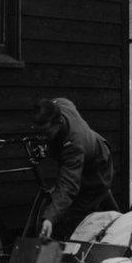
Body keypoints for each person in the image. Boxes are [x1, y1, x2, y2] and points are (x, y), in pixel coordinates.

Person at [33, 98, 117, 240]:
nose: (41, 138)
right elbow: (65, 101)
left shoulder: (73, 145)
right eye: (38, 132)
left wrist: (49, 218)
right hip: (87, 152)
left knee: (72, 216)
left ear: (58, 123)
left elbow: (68, 186)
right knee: (99, 194)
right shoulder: (59, 106)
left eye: (46, 133)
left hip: (97, 166)